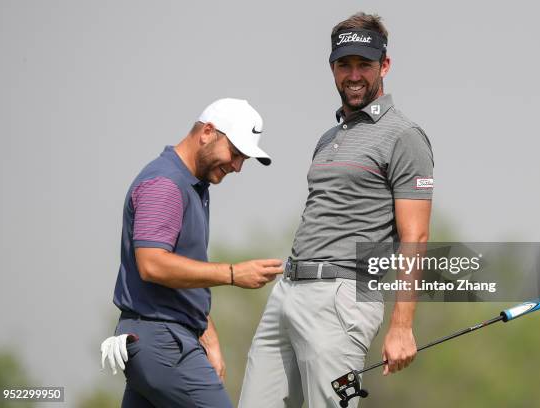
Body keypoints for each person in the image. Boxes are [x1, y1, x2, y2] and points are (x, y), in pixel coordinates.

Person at [238, 13, 434, 407]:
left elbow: (415, 236)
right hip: (288, 291)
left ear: (385, 66)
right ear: (332, 68)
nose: (354, 74)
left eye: (365, 64)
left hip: (341, 297)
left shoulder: (405, 136)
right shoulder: (328, 137)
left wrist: (402, 325)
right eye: (344, 64)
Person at [101, 98, 283, 408]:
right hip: (162, 340)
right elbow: (153, 265)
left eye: (244, 159)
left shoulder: (192, 186)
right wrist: (233, 274)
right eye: (235, 153)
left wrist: (207, 333)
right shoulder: (166, 184)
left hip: (161, 337)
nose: (237, 166)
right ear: (208, 132)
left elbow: (181, 274)